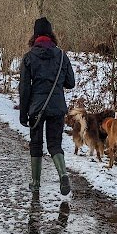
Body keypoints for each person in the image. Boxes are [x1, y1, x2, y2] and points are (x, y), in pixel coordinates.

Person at [19, 17, 75, 195]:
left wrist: (23, 112)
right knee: (55, 144)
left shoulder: (29, 57)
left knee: (36, 144)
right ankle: (63, 175)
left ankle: (35, 183)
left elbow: (25, 88)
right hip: (57, 107)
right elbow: (71, 83)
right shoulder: (62, 55)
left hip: (36, 107)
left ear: (35, 35)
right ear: (51, 34)